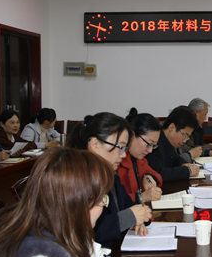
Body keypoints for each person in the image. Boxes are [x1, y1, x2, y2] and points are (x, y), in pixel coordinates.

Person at [69, 112, 151, 247]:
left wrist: (139, 218)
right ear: (95, 144)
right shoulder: (76, 180)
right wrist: (129, 217)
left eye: (125, 148)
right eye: (120, 147)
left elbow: (132, 207)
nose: (123, 155)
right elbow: (85, 233)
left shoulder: (110, 175)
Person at [117, 108, 163, 203]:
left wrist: (149, 176)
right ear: (132, 135)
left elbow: (156, 175)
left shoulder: (138, 159)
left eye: (153, 146)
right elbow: (115, 202)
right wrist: (141, 198)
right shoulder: (116, 161)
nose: (150, 150)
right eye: (148, 144)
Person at [147, 106, 200, 182]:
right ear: (171, 128)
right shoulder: (155, 142)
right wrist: (187, 171)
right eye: (184, 135)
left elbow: (175, 159)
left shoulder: (169, 142)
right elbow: (157, 173)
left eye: (187, 137)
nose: (185, 141)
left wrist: (184, 164)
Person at [180, 98, 212, 163]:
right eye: (205, 114)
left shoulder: (197, 128)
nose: (205, 118)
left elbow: (197, 146)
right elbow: (189, 147)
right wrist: (211, 148)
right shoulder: (184, 126)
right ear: (196, 112)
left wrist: (208, 149)